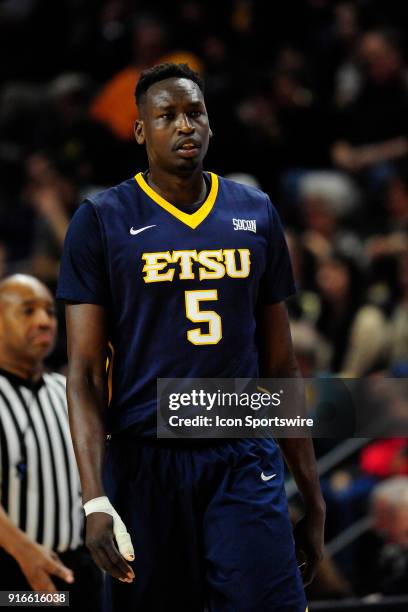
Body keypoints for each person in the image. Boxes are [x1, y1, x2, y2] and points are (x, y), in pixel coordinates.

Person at [57, 62, 325, 611]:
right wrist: (94, 499)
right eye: (167, 115)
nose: (185, 125)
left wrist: (312, 493)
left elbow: (281, 364)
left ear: (211, 124)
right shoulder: (100, 220)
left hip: (242, 451)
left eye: (195, 113)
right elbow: (82, 373)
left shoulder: (256, 211)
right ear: (140, 131)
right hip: (144, 457)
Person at [0, 274, 102, 609]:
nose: (44, 321)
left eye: (50, 312)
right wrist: (22, 549)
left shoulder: (67, 391)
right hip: (13, 568)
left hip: (78, 566)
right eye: (27, 311)